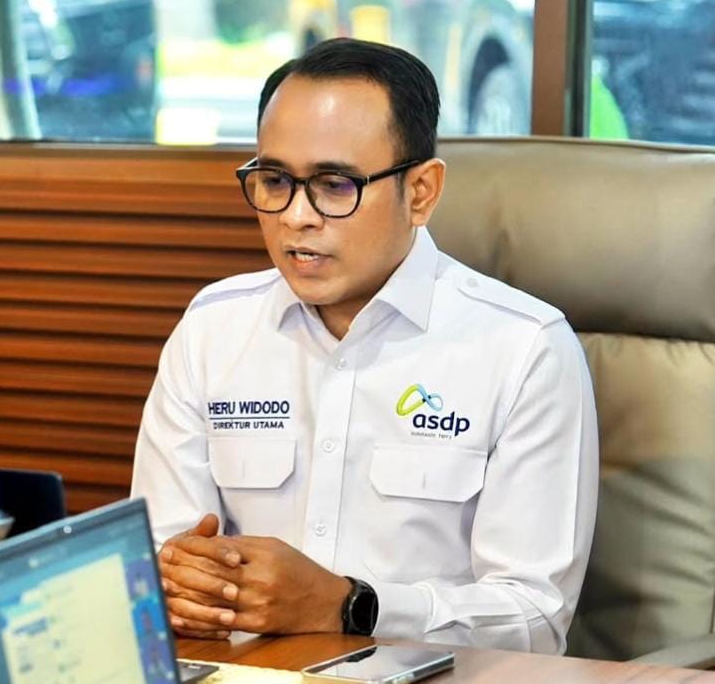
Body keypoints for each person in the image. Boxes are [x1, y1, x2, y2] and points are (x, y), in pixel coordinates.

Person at [129, 38, 598, 654]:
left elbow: (534, 619)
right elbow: (159, 563)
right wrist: (179, 586)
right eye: (274, 180)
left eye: (334, 184)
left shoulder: (524, 349)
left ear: (421, 191)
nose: (296, 216)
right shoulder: (213, 329)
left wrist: (349, 606)